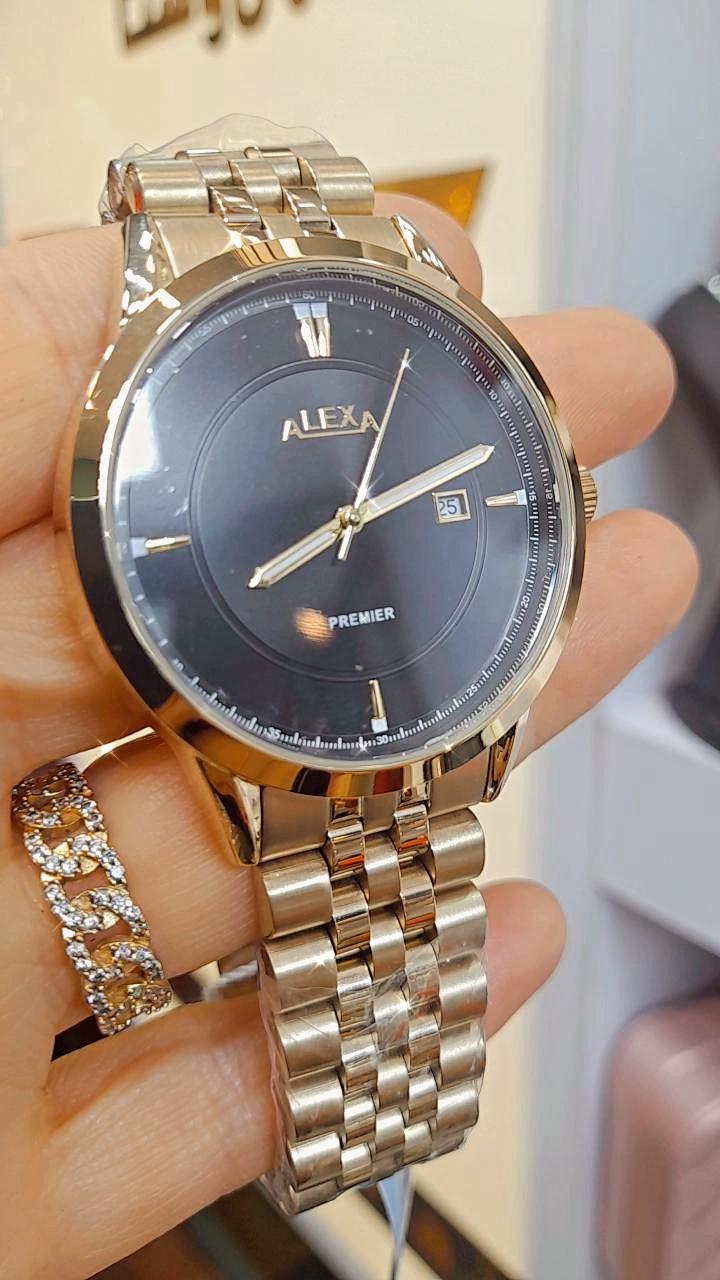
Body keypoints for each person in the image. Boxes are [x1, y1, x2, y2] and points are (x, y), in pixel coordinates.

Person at [0, 195, 697, 1278]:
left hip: (436, 709)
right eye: (343, 512)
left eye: (354, 510)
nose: (348, 512)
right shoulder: (152, 431)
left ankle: (380, 1126)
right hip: (274, 729)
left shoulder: (450, 397)